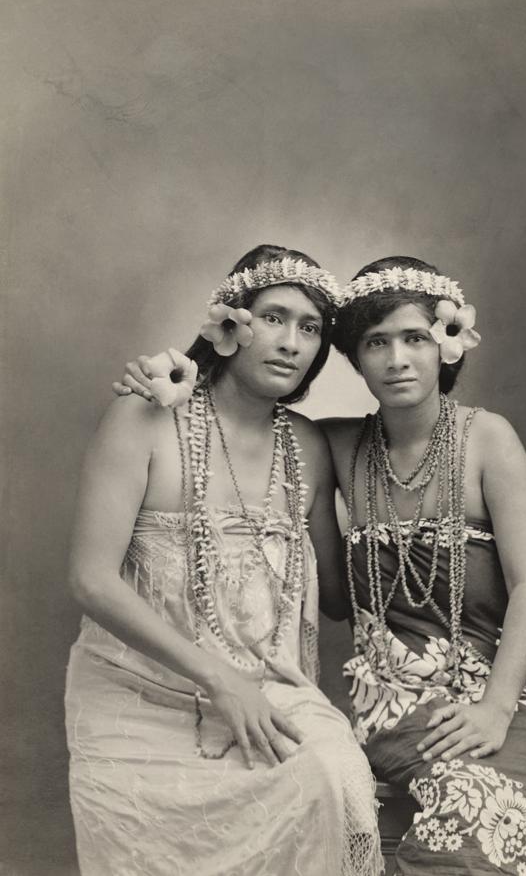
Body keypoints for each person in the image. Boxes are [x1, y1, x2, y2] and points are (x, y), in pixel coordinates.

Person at [117, 254, 526, 875]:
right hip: (396, 692)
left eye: (416, 338)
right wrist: (168, 380)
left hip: (510, 687)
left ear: (448, 345)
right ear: (352, 358)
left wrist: (498, 706)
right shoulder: (333, 444)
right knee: (468, 797)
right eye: (376, 342)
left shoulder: (488, 439)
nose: (398, 359)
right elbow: (241, 416)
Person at [66, 245, 383, 876]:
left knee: (335, 776)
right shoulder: (146, 416)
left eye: (311, 328)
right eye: (274, 317)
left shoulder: (308, 446)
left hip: (270, 690)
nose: (292, 342)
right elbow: (90, 578)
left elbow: (335, 597)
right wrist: (220, 681)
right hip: (137, 692)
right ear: (230, 325)